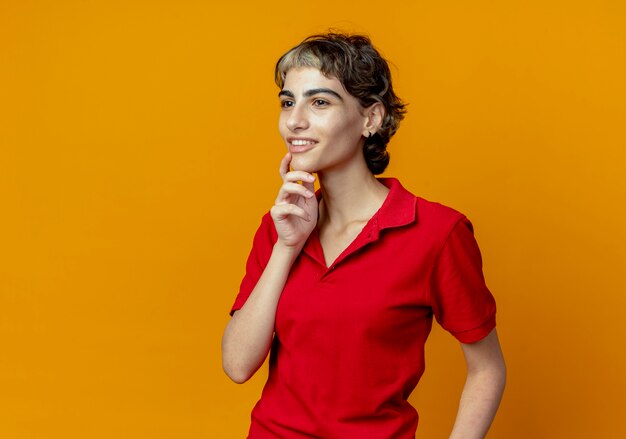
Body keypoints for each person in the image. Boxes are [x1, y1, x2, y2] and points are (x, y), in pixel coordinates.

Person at [222, 32, 506, 438]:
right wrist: (287, 246)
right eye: (288, 102)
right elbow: (237, 365)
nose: (294, 120)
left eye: (319, 102)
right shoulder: (279, 225)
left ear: (370, 119)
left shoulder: (438, 233)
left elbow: (488, 369)